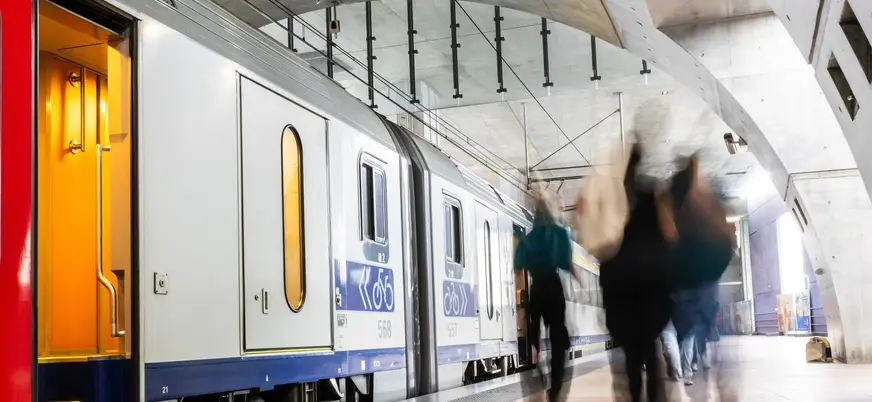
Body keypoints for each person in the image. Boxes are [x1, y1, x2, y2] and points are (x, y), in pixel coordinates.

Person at [600, 145, 673, 402]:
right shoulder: (649, 195)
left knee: (631, 356)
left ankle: (634, 396)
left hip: (622, 294)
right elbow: (663, 242)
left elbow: (605, 249)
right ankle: (654, 396)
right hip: (649, 291)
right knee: (650, 353)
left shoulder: (611, 201)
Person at [514, 191, 580, 402]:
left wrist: (522, 308)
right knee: (558, 334)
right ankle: (556, 385)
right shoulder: (560, 234)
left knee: (534, 328)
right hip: (553, 286)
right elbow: (566, 264)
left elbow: (517, 269)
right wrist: (577, 278)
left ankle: (536, 357)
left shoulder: (528, 238)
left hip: (537, 289)